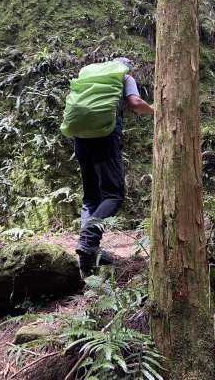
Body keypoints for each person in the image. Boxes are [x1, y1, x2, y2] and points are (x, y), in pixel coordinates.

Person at [74, 56, 154, 274]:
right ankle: (88, 243)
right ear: (130, 70)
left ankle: (86, 260)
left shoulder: (92, 79)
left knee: (91, 198)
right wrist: (158, 111)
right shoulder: (125, 77)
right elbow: (136, 104)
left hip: (80, 139)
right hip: (104, 139)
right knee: (113, 195)